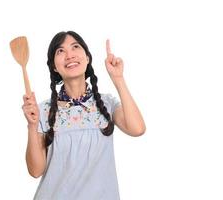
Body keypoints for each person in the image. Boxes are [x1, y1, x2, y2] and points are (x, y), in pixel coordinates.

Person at [22, 31, 146, 200]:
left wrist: (118, 79)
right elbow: (35, 171)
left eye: (75, 47)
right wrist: (32, 125)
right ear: (53, 66)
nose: (69, 55)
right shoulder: (43, 110)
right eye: (60, 51)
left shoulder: (107, 104)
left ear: (87, 58)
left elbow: (137, 129)